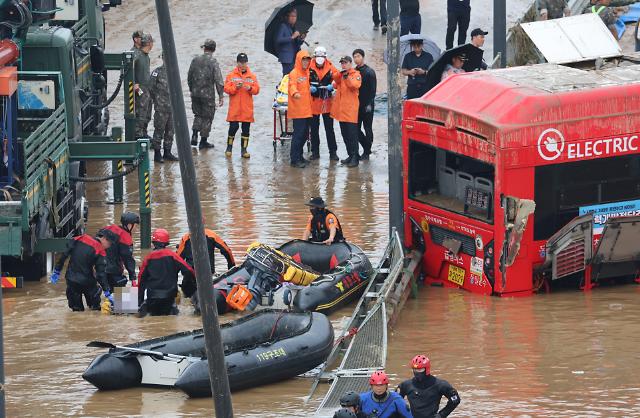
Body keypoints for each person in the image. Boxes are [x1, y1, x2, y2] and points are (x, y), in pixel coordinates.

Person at [50, 229, 117, 312]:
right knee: (95, 309)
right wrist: (107, 291)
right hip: (87, 283)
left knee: (76, 312)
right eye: (109, 244)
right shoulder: (100, 251)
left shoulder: (80, 238)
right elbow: (100, 274)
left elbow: (64, 254)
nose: (109, 246)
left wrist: (57, 270)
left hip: (71, 280)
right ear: (104, 238)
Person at [138, 228, 196, 316]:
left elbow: (141, 280)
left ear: (153, 242)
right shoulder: (173, 255)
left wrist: (140, 301)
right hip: (169, 298)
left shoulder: (148, 258)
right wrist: (189, 286)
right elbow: (188, 270)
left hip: (152, 298)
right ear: (166, 242)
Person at [188, 39, 223, 149]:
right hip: (208, 95)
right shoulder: (213, 62)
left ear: (204, 48)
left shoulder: (195, 60)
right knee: (208, 117)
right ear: (214, 49)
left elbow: (189, 77)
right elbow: (218, 79)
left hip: (195, 93)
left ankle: (194, 135)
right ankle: (203, 141)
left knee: (197, 115)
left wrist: (192, 89)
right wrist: (221, 95)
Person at [223, 53, 260, 159]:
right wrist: (236, 87)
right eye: (241, 62)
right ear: (237, 63)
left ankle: (244, 150)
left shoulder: (252, 76)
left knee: (246, 130)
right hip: (235, 108)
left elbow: (257, 90)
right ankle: (229, 148)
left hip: (247, 108)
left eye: (244, 62)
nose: (243, 64)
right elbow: (226, 89)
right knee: (233, 128)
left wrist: (249, 88)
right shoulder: (231, 76)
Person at [331, 55, 362, 168]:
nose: (343, 65)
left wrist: (347, 76)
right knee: (345, 135)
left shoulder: (356, 75)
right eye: (342, 63)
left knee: (352, 136)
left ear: (350, 63)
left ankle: (355, 157)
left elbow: (354, 86)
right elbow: (335, 80)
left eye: (345, 63)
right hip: (342, 112)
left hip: (351, 111)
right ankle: (350, 155)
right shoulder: (342, 75)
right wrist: (341, 74)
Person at [309, 46, 339, 161]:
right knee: (314, 129)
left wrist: (333, 86)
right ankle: (315, 152)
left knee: (329, 129)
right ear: (315, 57)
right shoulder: (309, 68)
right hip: (314, 102)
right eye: (318, 57)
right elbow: (303, 80)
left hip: (327, 102)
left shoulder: (330, 67)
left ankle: (333, 152)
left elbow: (338, 79)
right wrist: (309, 87)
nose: (320, 60)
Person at [149, 57, 178, 162]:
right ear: (163, 58)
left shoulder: (175, 71)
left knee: (170, 131)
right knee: (159, 130)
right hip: (161, 107)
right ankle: (157, 154)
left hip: (173, 108)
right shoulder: (157, 72)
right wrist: (157, 99)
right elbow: (150, 87)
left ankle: (167, 152)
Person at [288, 49, 313, 168]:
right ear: (299, 60)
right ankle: (294, 159)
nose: (306, 62)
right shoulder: (294, 73)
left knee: (304, 135)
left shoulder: (307, 73)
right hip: (298, 110)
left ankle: (299, 156)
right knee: (298, 135)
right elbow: (292, 85)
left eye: (307, 60)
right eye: (304, 60)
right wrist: (295, 93)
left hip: (307, 109)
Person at [102, 212, 139, 291]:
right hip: (114, 271)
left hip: (101, 270)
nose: (136, 229)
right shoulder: (125, 237)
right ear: (129, 225)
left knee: (107, 295)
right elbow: (128, 259)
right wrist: (133, 277)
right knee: (122, 300)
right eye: (136, 225)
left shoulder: (107, 229)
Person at [353, 49, 376, 161]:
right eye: (354, 57)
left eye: (358, 56)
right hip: (356, 105)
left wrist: (369, 104)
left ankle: (366, 152)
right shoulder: (354, 71)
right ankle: (367, 147)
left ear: (363, 57)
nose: (356, 58)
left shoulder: (369, 72)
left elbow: (373, 90)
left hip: (367, 105)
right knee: (356, 129)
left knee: (367, 128)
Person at [275, 8, 306, 76]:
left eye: (295, 16)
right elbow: (279, 40)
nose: (293, 18)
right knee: (287, 76)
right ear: (287, 17)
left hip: (295, 57)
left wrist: (301, 39)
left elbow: (297, 44)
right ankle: (282, 86)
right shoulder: (283, 26)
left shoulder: (294, 27)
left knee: (294, 76)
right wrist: (292, 37)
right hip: (287, 58)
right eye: (291, 16)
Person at [134, 33, 153, 139]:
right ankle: (138, 135)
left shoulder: (147, 57)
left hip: (147, 89)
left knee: (147, 113)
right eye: (152, 43)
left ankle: (144, 133)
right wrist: (134, 83)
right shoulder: (137, 55)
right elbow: (127, 70)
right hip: (140, 89)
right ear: (149, 44)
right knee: (140, 113)